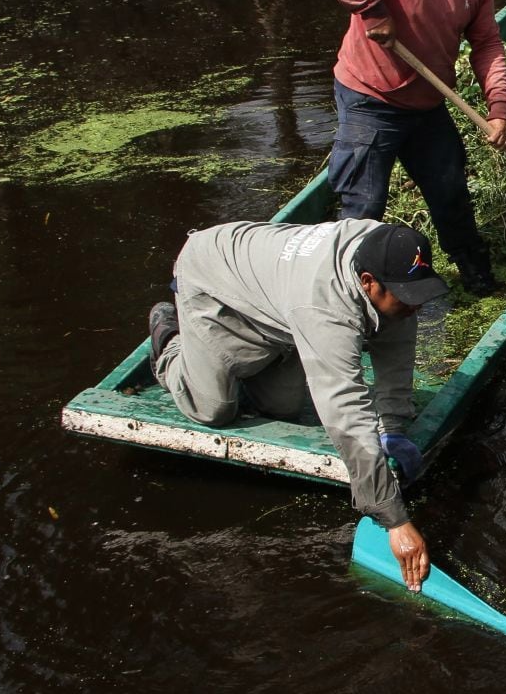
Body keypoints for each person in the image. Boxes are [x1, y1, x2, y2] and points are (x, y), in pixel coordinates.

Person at [147, 219, 449, 591]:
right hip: (211, 276)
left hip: (275, 297)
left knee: (283, 408)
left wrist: (393, 428)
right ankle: (171, 343)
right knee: (213, 407)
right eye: (405, 298)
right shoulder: (324, 306)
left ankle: (253, 350)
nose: (414, 308)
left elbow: (397, 358)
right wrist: (394, 519)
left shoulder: (390, 253)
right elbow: (347, 415)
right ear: (367, 281)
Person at [312, 0, 506, 296]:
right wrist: (372, 8)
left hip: (427, 104)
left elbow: (487, 43)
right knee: (364, 207)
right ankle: (343, 295)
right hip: (371, 99)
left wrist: (499, 107)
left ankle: (476, 276)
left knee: (451, 192)